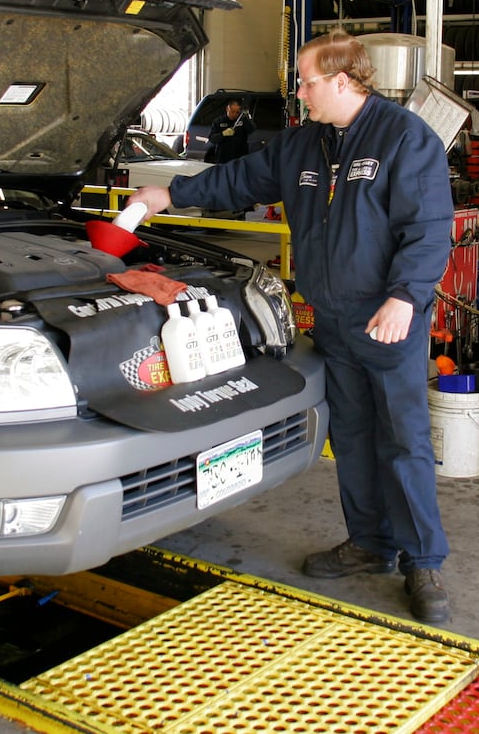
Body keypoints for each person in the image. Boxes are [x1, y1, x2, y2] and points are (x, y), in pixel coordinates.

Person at [127, 31, 455, 623]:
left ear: (343, 81)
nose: (298, 92)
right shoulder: (304, 144)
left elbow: (429, 227)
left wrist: (406, 297)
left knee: (402, 439)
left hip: (387, 320)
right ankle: (371, 544)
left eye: (306, 81)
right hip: (332, 318)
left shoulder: (405, 138)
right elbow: (238, 179)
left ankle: (422, 559)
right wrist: (169, 195)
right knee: (351, 434)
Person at [207, 99, 253, 163]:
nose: (234, 114)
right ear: (227, 109)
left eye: (237, 112)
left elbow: (251, 130)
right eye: (232, 111)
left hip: (240, 157)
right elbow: (212, 139)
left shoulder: (242, 120)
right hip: (223, 158)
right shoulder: (219, 121)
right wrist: (223, 134)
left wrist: (247, 118)